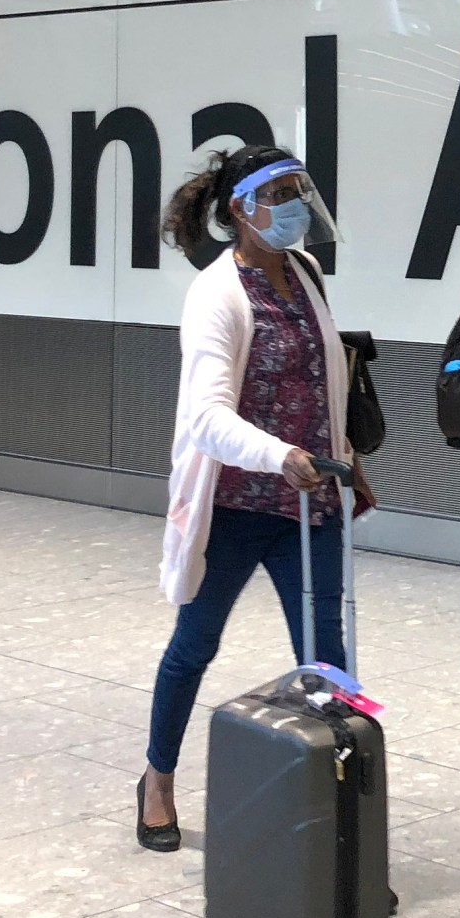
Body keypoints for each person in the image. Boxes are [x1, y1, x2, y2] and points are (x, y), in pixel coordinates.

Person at [140, 144, 373, 853]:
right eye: (282, 194)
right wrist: (280, 456)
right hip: (237, 507)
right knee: (194, 645)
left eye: (303, 189)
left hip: (311, 503)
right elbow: (206, 418)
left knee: (327, 660)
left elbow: (326, 382)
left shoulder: (306, 272)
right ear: (242, 210)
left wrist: (348, 464)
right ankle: (157, 779)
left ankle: (341, 824)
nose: (298, 205)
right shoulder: (216, 294)